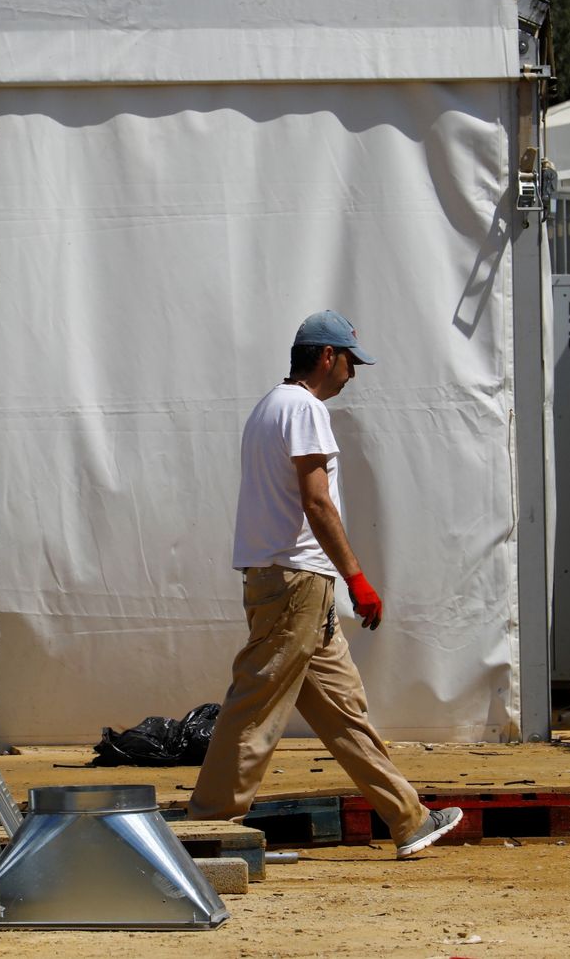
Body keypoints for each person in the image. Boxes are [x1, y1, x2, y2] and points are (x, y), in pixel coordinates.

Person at [188, 310, 462, 858]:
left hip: (293, 581)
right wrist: (357, 579)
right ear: (327, 356)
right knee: (255, 704)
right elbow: (316, 501)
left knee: (343, 707)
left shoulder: (271, 406)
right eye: (350, 363)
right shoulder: (304, 408)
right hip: (295, 583)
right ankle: (207, 823)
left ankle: (407, 818)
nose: (353, 376)